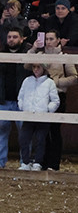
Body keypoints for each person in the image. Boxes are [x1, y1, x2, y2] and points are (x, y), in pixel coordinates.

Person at [27, 29, 77, 170]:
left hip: (58, 95)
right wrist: (33, 48)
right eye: (46, 39)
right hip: (41, 96)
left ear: (58, 40)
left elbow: (74, 77)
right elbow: (26, 64)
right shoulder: (39, 55)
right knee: (42, 130)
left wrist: (55, 82)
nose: (48, 42)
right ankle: (41, 161)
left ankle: (54, 163)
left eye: (51, 39)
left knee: (54, 130)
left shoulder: (64, 57)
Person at [0, 26, 32, 169]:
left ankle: (25, 162)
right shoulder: (0, 55)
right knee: (1, 131)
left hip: (22, 102)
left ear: (22, 39)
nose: (11, 40)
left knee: (25, 133)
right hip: (3, 100)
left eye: (15, 37)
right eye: (9, 37)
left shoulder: (28, 55)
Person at [17, 63, 60, 171]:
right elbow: (20, 96)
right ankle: (25, 162)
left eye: (38, 67)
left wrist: (47, 110)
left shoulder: (49, 82)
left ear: (43, 69)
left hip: (42, 116)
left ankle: (37, 162)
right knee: (23, 139)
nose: (35, 69)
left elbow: (55, 100)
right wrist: (23, 106)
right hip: (28, 115)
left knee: (40, 140)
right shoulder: (27, 81)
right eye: (34, 67)